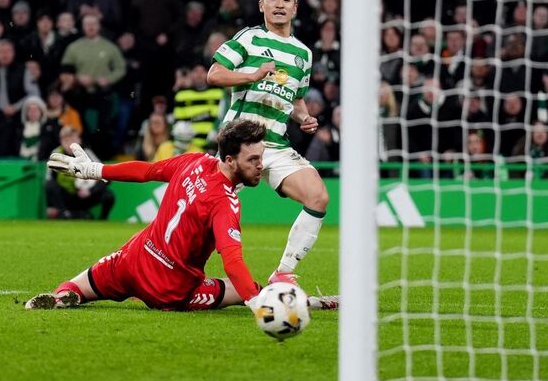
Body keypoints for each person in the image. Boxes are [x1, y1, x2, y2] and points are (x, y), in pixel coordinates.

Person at [26, 119, 337, 311]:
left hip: (132, 261)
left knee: (76, 286)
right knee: (243, 289)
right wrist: (257, 306)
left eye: (261, 158)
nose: (260, 166)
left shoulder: (194, 161)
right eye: (253, 160)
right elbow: (232, 262)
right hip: (170, 290)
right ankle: (289, 302)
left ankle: (63, 297)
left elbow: (146, 171)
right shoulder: (225, 202)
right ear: (230, 160)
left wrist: (96, 169)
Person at [207, 0, 329, 285]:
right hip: (239, 142)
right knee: (205, 214)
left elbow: (296, 98)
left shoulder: (303, 54)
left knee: (318, 197)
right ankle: (174, 267)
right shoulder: (249, 38)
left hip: (275, 144)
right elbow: (215, 74)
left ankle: (283, 274)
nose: (279, 4)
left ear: (295, 8)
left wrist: (304, 117)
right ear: (262, 5)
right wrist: (251, 75)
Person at [44, 125, 114, 220]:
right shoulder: (56, 154)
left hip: (84, 195)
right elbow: (49, 180)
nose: (70, 144)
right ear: (61, 141)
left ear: (79, 140)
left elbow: (105, 176)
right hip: (66, 196)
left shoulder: (87, 153)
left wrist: (90, 191)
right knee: (50, 185)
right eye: (66, 141)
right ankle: (65, 213)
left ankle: (102, 219)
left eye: (73, 140)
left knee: (108, 195)